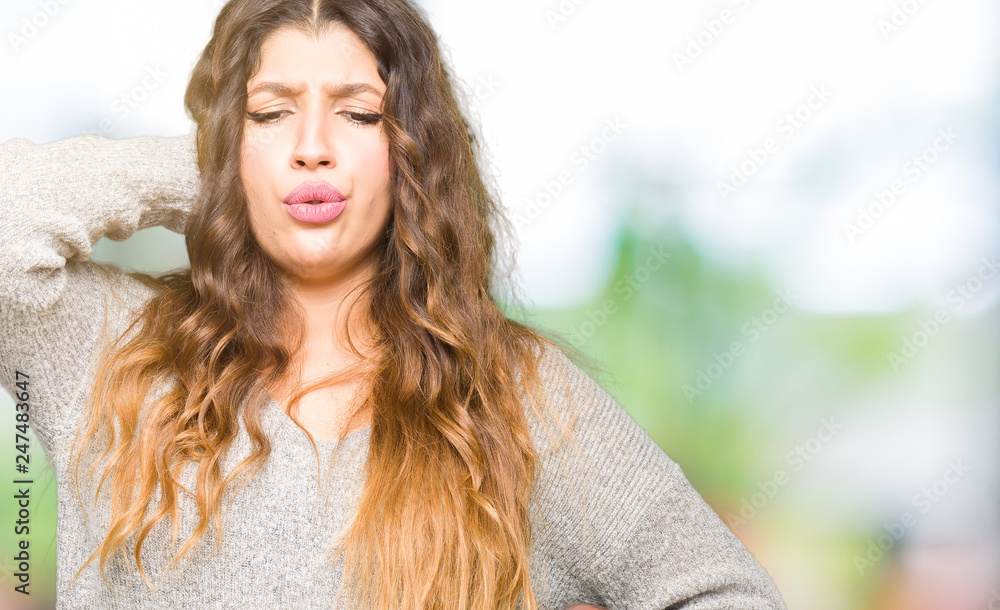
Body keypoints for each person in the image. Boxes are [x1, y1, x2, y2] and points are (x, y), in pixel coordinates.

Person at [0, 0, 787, 608]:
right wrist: (222, 169)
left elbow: (730, 595)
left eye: (359, 114)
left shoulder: (515, 398)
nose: (313, 146)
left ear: (409, 150)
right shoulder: (110, 348)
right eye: (271, 112)